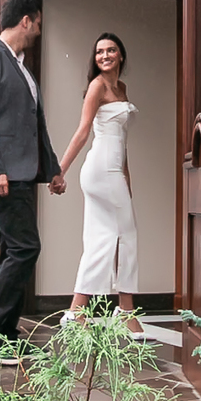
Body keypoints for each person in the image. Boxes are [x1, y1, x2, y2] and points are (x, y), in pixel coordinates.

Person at [0, 0, 65, 363]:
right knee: (27, 247)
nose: (38, 31)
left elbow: (34, 125)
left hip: (22, 171)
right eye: (37, 24)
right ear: (26, 19)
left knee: (13, 248)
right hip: (1, 172)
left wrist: (52, 169)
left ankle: (5, 333)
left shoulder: (21, 66)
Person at [58, 32, 143, 336]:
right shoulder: (97, 86)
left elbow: (123, 143)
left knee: (102, 238)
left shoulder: (121, 87)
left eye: (110, 50)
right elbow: (83, 132)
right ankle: (126, 311)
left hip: (113, 171)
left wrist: (127, 180)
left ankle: (77, 311)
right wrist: (60, 170)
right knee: (126, 235)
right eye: (99, 52)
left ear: (121, 55)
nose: (104, 56)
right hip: (99, 170)